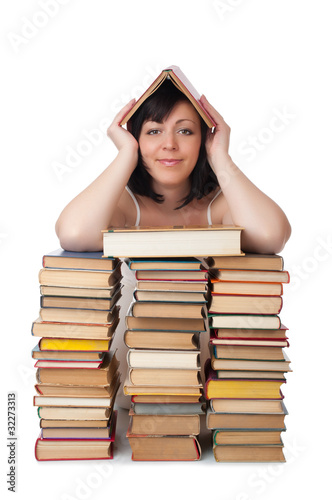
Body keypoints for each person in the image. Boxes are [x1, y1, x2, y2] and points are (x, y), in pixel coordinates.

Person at [55, 79, 291, 408]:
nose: (169, 145)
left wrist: (220, 156)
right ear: (137, 139)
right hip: (137, 369)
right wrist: (126, 154)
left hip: (213, 380)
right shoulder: (124, 205)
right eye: (153, 131)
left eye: (185, 131)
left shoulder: (221, 204)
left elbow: (271, 236)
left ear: (204, 139)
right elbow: (74, 233)